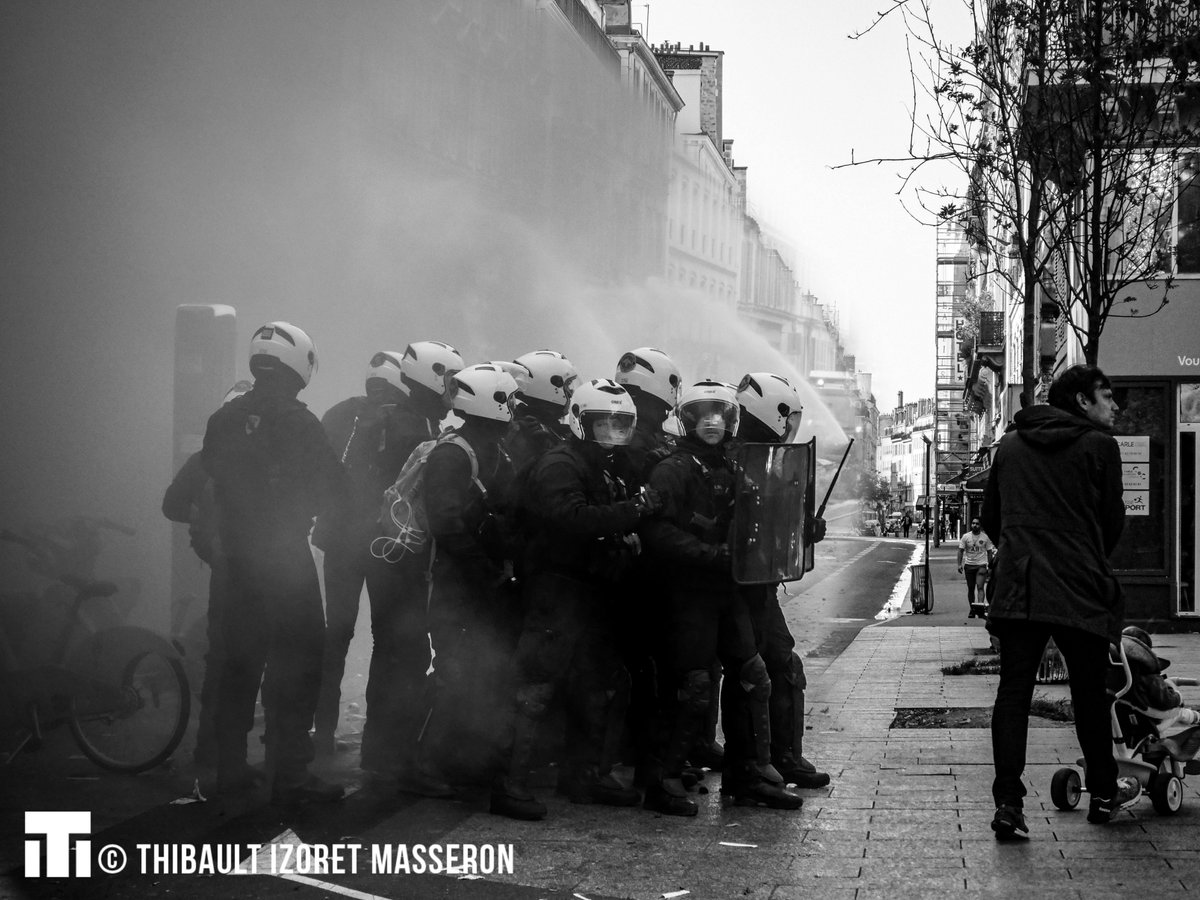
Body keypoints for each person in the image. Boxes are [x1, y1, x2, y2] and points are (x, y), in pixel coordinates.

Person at [491, 379, 661, 820]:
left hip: (595, 590)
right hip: (556, 589)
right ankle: (509, 786)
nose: (611, 430)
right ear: (580, 421)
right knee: (536, 686)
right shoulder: (560, 464)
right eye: (602, 422)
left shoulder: (611, 464)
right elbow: (572, 518)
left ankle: (583, 775)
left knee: (596, 684)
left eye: (620, 423)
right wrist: (634, 512)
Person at [982, 364, 1139, 838]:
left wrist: (1021, 552)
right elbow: (1113, 522)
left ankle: (1008, 803)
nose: (1114, 406)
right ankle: (1105, 793)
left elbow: (992, 517)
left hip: (1021, 588)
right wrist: (1084, 555)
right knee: (1091, 696)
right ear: (1081, 402)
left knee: (1013, 695)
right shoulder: (1100, 448)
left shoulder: (1009, 445)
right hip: (1078, 587)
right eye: (1106, 396)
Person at [201, 321, 348, 804]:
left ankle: (229, 770)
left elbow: (212, 479)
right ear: (298, 364)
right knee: (298, 664)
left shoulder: (222, 419)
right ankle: (291, 776)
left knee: (239, 664)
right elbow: (333, 488)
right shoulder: (300, 422)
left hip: (236, 559)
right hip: (284, 559)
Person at [310, 342, 463, 797]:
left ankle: (319, 735)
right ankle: (387, 754)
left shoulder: (345, 413)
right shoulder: (418, 427)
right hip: (387, 549)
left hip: (340, 540)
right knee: (398, 647)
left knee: (334, 634)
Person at [641, 380, 801, 814]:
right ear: (686, 419)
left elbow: (758, 520)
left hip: (729, 589)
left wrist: (797, 531)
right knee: (693, 686)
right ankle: (667, 777)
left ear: (732, 420)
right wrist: (708, 553)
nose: (712, 421)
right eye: (702, 413)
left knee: (753, 676)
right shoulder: (671, 469)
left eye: (721, 413)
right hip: (689, 591)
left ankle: (746, 774)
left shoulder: (735, 467)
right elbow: (656, 531)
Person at [420, 363, 520, 786]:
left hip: (482, 584)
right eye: (509, 399)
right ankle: (424, 765)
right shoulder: (453, 454)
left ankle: (462, 761)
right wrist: (486, 573)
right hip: (455, 587)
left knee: (480, 673)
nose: (515, 407)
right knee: (453, 675)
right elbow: (447, 525)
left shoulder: (493, 447)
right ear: (491, 402)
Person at [731, 372, 831, 791]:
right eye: (787, 418)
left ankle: (785, 758)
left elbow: (774, 525)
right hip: (731, 585)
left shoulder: (769, 460)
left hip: (760, 584)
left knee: (784, 665)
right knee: (747, 674)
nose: (790, 428)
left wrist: (804, 529)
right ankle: (752, 766)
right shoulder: (734, 460)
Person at [162, 380, 252, 770]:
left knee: (223, 658)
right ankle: (225, 754)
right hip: (243, 569)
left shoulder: (203, 460)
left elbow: (172, 505)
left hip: (224, 565)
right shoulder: (253, 459)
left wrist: (201, 522)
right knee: (237, 660)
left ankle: (211, 750)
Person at [1113, 626, 1200, 740]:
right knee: (1179, 712)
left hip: (1122, 714)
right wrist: (1178, 697)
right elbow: (1165, 701)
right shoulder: (1149, 674)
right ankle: (1195, 717)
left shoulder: (1115, 668)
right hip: (1146, 715)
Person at [957, 518, 995, 618]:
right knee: (970, 588)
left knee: (980, 587)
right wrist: (959, 564)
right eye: (973, 523)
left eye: (977, 524)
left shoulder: (985, 537)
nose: (974, 525)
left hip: (981, 565)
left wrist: (990, 566)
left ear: (980, 525)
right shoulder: (966, 537)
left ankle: (980, 609)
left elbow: (990, 552)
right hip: (969, 566)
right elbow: (960, 550)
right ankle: (972, 609)